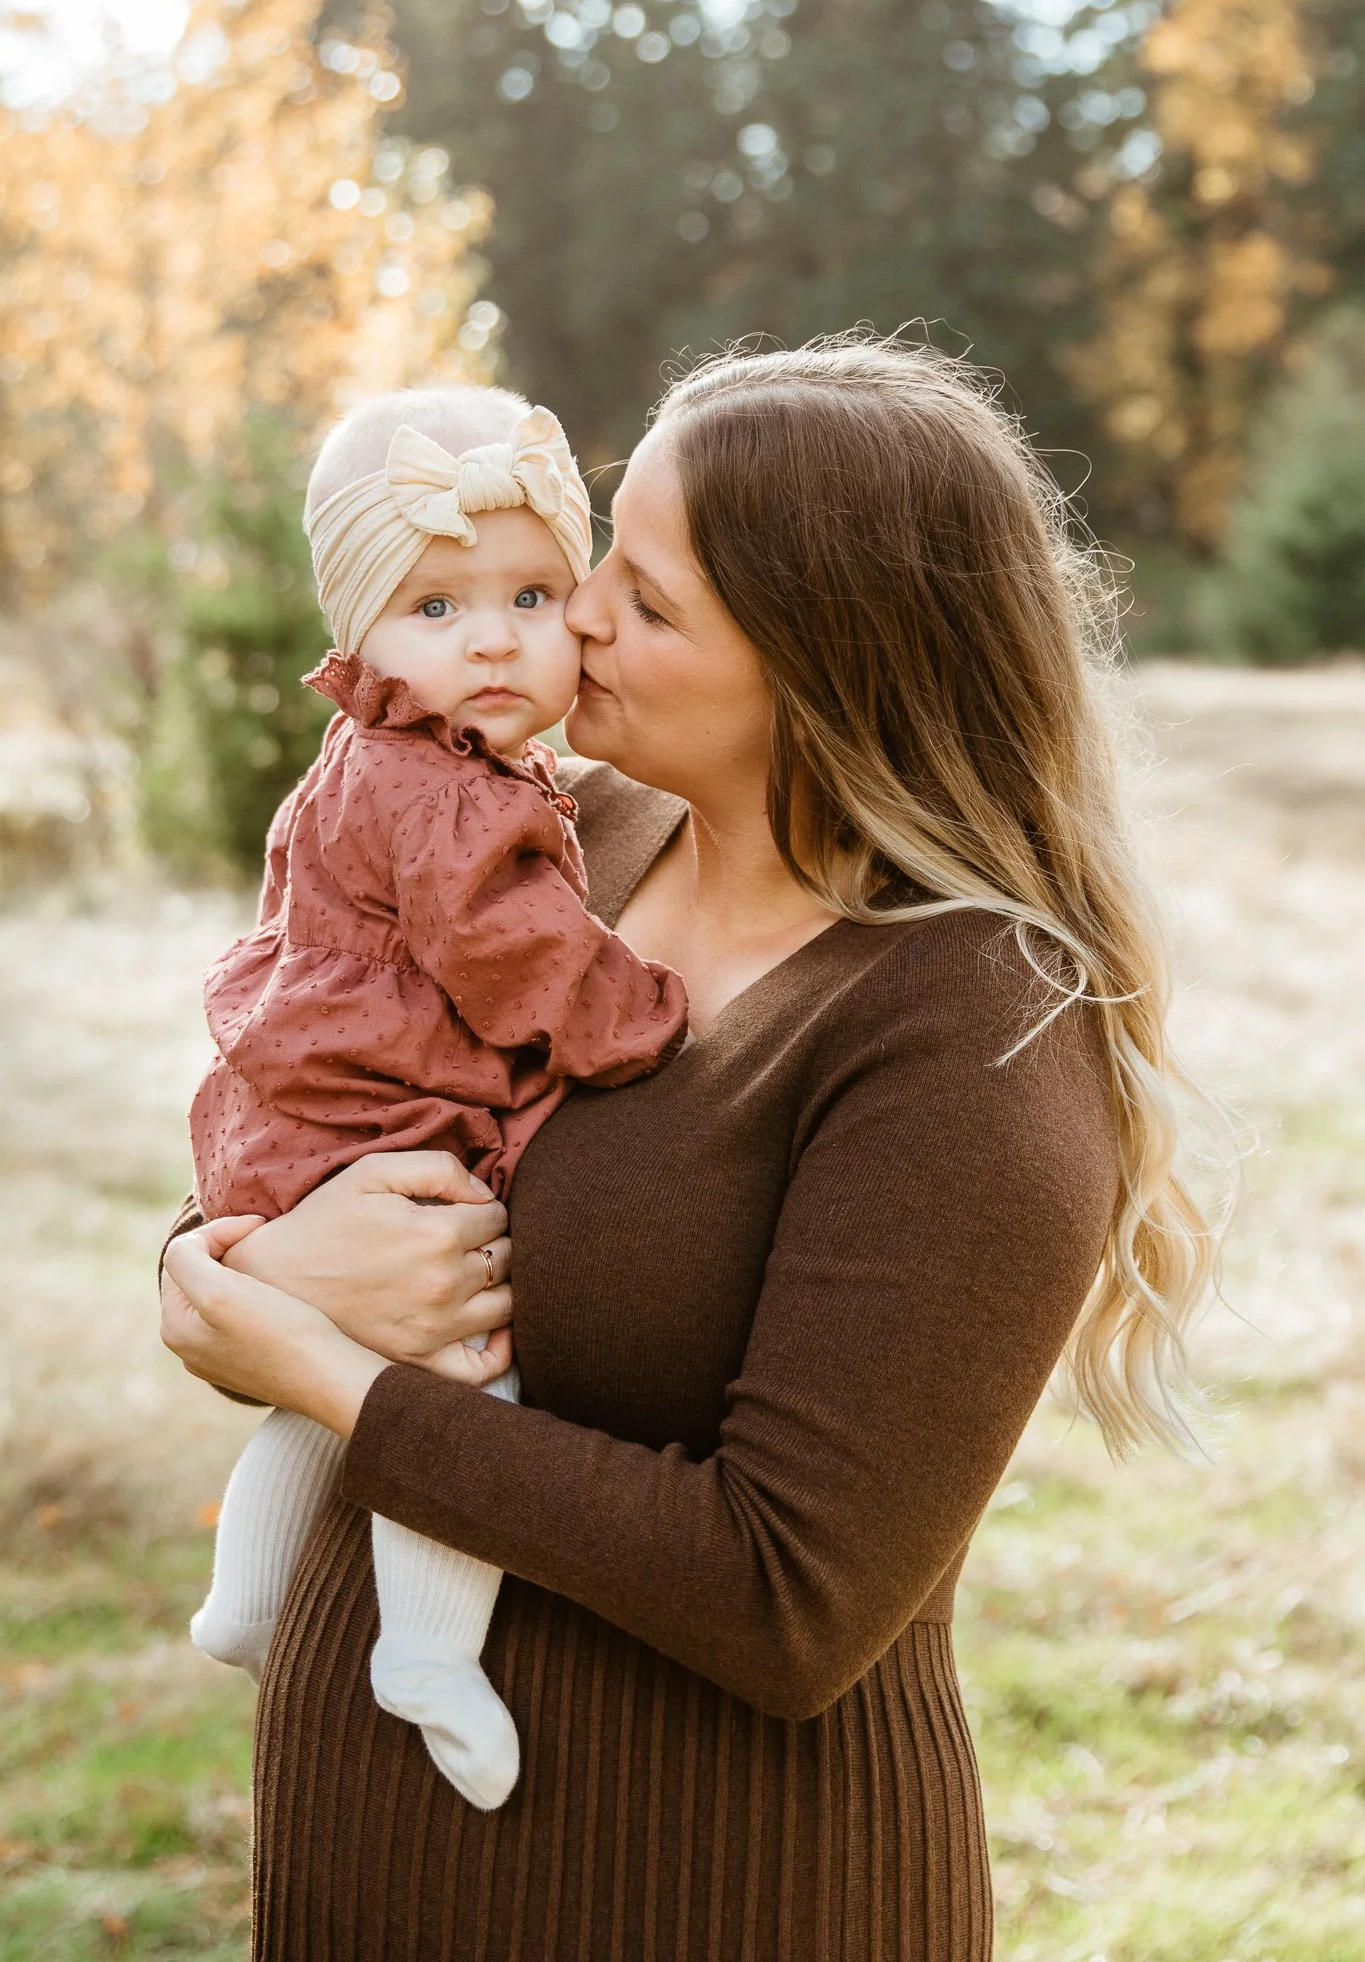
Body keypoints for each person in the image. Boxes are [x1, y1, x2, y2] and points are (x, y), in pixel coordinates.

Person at [161, 337, 1217, 1962]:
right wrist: (216, 1266)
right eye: (603, 562)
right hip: (366, 1860)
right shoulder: (558, 841)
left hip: (702, 1887)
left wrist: (325, 1377)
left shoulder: (970, 1028)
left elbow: (788, 1600)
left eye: (641, 604)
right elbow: (321, 1097)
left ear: (826, 668)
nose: (569, 620)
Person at [186, 384, 685, 1812]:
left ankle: (247, 1599)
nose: (493, 640)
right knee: (465, 1370)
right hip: (380, 1121)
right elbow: (522, 960)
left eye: (533, 592)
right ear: (357, 633)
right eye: (437, 607)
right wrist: (651, 1009)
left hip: (295, 1120)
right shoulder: (445, 795)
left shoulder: (392, 758)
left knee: (323, 1382)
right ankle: (427, 1646)